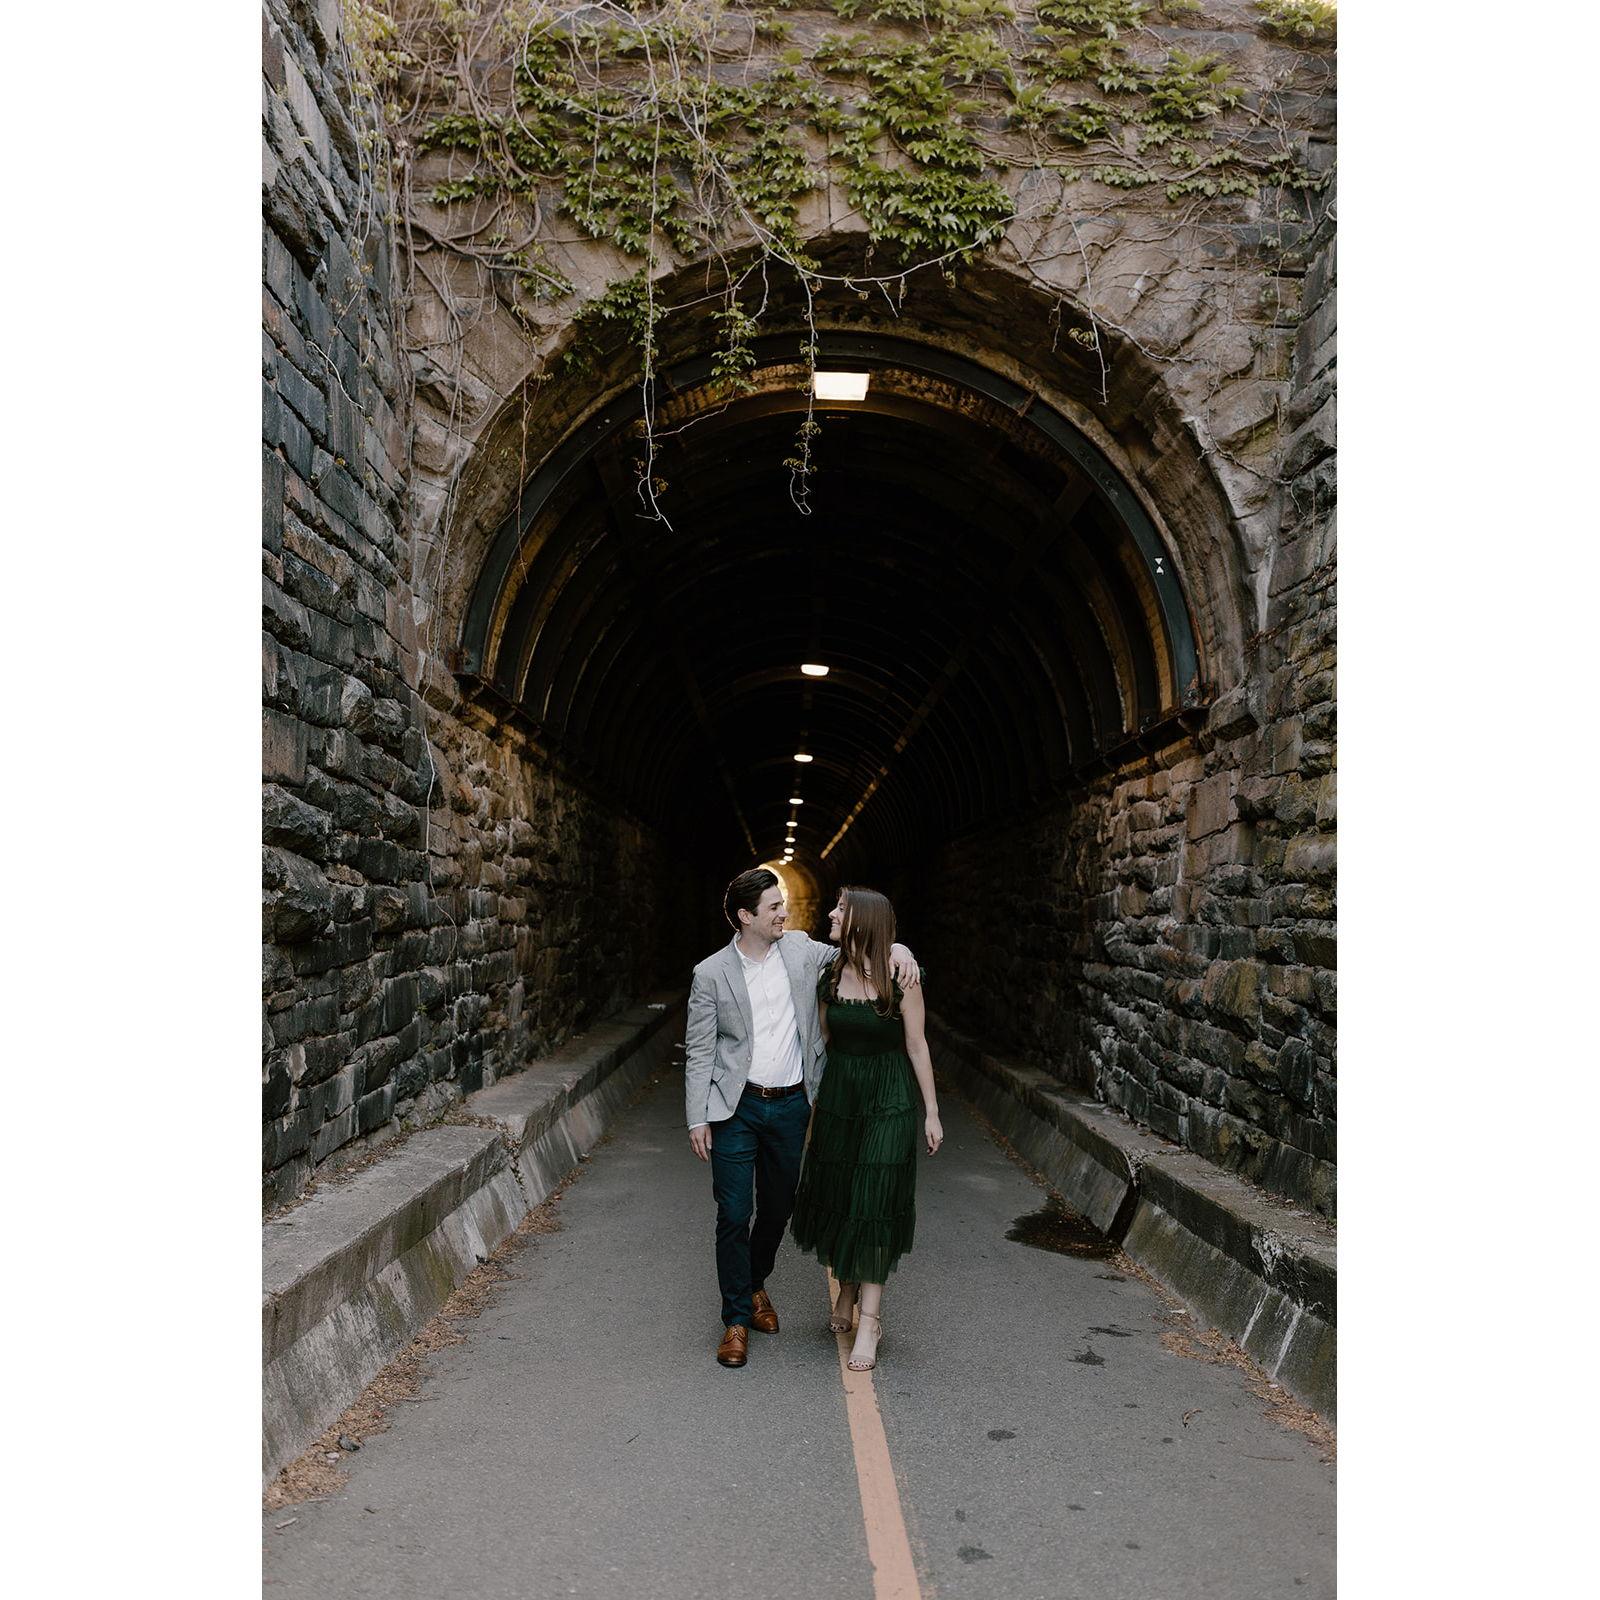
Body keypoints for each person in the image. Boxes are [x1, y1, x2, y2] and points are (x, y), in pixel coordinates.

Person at [685, 868, 920, 1369]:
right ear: (747, 916)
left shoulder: (800, 951)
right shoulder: (710, 973)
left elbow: (861, 950)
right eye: (774, 907)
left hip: (791, 1103)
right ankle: (735, 1319)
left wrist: (903, 951)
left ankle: (753, 1286)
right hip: (735, 1107)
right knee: (732, 1212)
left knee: (776, 1207)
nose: (783, 914)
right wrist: (696, 1118)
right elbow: (701, 1051)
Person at [789, 885, 942, 1372]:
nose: (831, 913)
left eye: (840, 908)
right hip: (840, 1097)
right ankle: (847, 1287)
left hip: (888, 1097)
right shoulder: (828, 975)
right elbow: (824, 1040)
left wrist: (932, 1112)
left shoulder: (902, 977)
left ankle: (870, 1322)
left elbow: (917, 1045)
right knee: (842, 1195)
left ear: (863, 922)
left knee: (874, 1201)